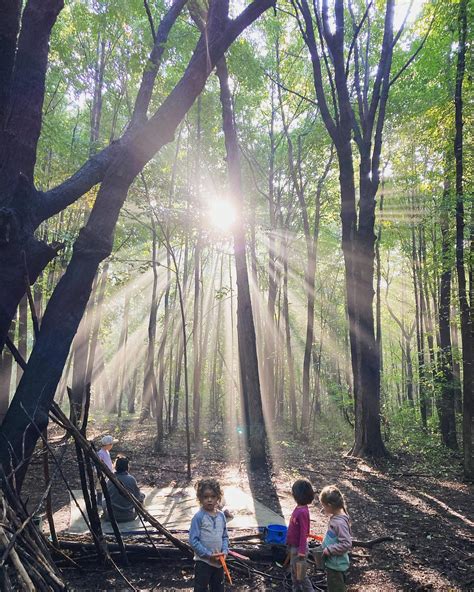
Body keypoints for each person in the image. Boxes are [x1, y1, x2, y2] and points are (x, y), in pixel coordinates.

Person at [189, 478, 229, 592]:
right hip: (203, 562)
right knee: (201, 588)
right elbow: (193, 540)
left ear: (218, 498)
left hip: (219, 562)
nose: (209, 500)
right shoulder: (198, 517)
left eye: (213, 496)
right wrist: (208, 555)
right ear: (200, 499)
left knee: (218, 587)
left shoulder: (221, 516)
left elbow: (225, 536)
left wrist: (225, 552)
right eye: (206, 497)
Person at [319, 485, 352, 592]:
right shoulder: (336, 517)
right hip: (332, 562)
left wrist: (329, 550)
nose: (323, 509)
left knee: (336, 588)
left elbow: (346, 544)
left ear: (329, 505)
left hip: (336, 565)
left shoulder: (340, 523)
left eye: (323, 506)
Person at [286, 478, 315, 592]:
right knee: (294, 573)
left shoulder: (302, 512)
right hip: (294, 547)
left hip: (299, 549)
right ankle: (296, 589)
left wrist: (302, 551)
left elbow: (304, 533)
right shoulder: (298, 508)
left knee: (301, 575)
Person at [102, 455, 145, 522]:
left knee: (104, 501)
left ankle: (105, 515)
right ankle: (142, 514)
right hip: (129, 516)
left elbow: (106, 496)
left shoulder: (110, 480)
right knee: (142, 495)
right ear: (127, 467)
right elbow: (138, 497)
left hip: (111, 517)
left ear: (115, 467)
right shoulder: (131, 479)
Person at [96, 435, 116, 505]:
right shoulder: (101, 453)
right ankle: (99, 500)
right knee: (99, 486)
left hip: (108, 472)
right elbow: (98, 463)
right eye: (111, 444)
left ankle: (105, 498)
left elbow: (108, 461)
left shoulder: (107, 452)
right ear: (108, 445)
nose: (112, 446)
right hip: (102, 473)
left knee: (106, 485)